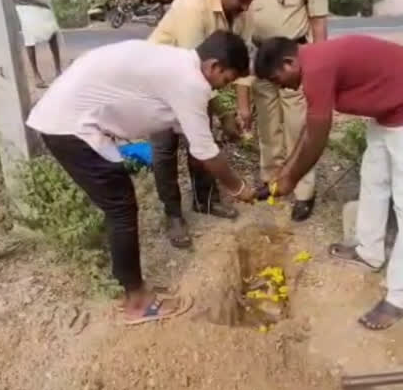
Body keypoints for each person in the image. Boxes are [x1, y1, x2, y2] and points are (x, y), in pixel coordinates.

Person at [27, 31, 257, 325]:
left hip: (69, 118)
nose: (219, 87)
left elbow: (189, 132)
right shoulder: (191, 82)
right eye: (225, 80)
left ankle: (130, 288)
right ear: (213, 66)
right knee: (120, 208)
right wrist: (239, 188)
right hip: (70, 126)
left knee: (119, 205)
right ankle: (136, 302)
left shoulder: (177, 62)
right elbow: (205, 152)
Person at [253, 35, 403, 331]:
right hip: (390, 111)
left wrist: (291, 179)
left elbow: (318, 138)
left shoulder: (317, 69)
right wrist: (285, 171)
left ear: (288, 62)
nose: (280, 86)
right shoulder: (312, 63)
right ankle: (369, 251)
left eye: (277, 78)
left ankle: (402, 297)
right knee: (373, 179)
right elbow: (310, 126)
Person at [148, 0, 261, 248]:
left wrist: (243, 107)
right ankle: (173, 215)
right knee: (165, 150)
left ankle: (205, 200)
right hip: (161, 82)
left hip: (197, 81)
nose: (245, 7)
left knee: (201, 143)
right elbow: (194, 74)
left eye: (250, 1)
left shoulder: (243, 14)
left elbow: (240, 66)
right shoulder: (191, 8)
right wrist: (224, 114)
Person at [235, 0, 329, 222]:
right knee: (267, 131)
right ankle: (272, 183)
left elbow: (318, 22)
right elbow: (244, 27)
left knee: (297, 129)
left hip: (293, 65)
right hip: (261, 63)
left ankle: (303, 191)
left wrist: (321, 70)